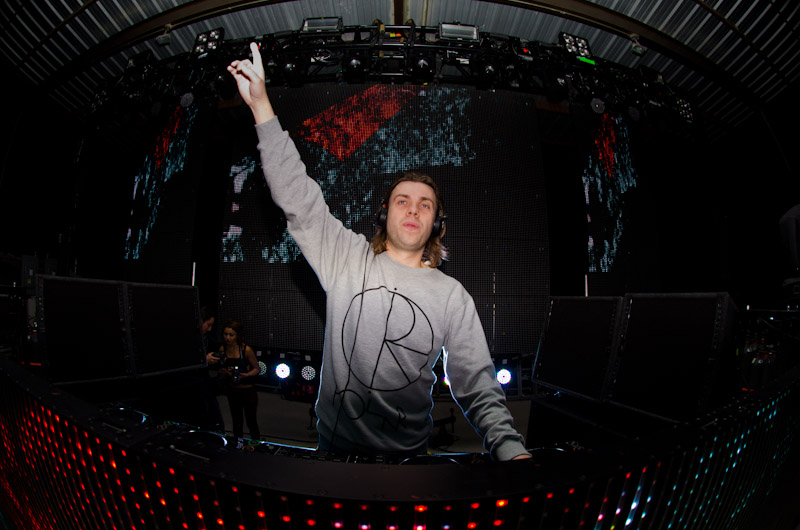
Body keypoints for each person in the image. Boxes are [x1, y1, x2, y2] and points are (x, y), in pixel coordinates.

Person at [228, 43, 530, 461]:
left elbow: (476, 383)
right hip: (334, 454)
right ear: (384, 215)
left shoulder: (452, 296)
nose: (413, 209)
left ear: (436, 224)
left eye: (425, 205)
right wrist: (261, 106)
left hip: (409, 461)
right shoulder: (346, 258)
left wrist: (510, 449)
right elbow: (298, 197)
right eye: (402, 200)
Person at [216, 319, 261, 440]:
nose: (228, 338)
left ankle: (256, 445)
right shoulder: (223, 349)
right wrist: (224, 372)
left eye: (231, 335)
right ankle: (238, 444)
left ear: (237, 335)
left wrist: (246, 375)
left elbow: (257, 368)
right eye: (225, 334)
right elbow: (221, 367)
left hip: (247, 390)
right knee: (237, 421)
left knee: (251, 421)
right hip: (232, 390)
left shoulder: (246, 350)